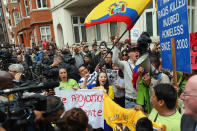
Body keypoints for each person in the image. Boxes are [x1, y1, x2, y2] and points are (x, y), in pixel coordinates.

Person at [113, 42, 139, 108]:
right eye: (134, 51)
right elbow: (115, 61)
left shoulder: (142, 65)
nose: (137, 52)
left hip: (140, 101)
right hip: (129, 101)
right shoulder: (125, 64)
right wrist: (116, 47)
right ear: (129, 54)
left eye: (138, 51)